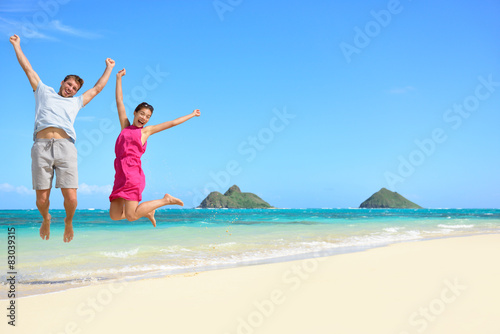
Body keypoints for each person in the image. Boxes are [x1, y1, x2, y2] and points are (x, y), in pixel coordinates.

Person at [10, 34, 115, 242]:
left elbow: (97, 89)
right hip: (41, 147)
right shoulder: (44, 92)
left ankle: (68, 221)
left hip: (66, 147)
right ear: (62, 82)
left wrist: (109, 68)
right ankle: (46, 218)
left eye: (75, 88)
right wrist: (17, 45)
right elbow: (28, 69)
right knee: (41, 199)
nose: (71, 89)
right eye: (69, 85)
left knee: (72, 198)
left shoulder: (75, 103)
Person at [109, 69, 200, 226]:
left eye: (148, 116)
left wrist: (191, 114)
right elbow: (119, 101)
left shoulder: (146, 131)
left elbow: (171, 123)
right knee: (115, 215)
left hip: (132, 174)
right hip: (120, 174)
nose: (144, 118)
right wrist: (118, 78)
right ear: (135, 112)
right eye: (142, 113)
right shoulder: (125, 126)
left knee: (131, 215)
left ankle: (165, 200)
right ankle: (147, 211)